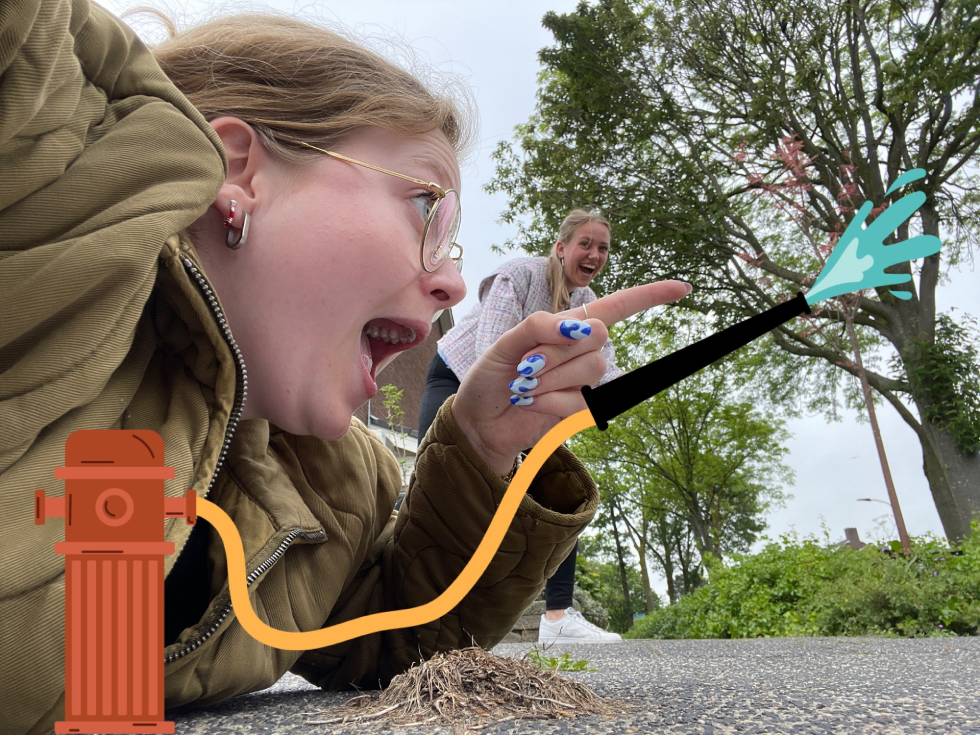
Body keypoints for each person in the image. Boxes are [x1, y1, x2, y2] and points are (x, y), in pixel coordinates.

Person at [0, 2, 690, 731]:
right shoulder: (51, 222)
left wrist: (488, 451)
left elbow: (398, 638)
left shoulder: (335, 482)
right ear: (240, 170)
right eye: (427, 209)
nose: (455, 282)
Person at [417, 209, 625, 644]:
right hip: (458, 378)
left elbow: (604, 370)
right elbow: (486, 349)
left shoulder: (586, 305)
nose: (594, 254)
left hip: (523, 402)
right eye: (585, 243)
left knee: (555, 486)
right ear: (561, 247)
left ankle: (557, 616)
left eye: (603, 248)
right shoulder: (518, 276)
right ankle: (420, 607)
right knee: (440, 481)